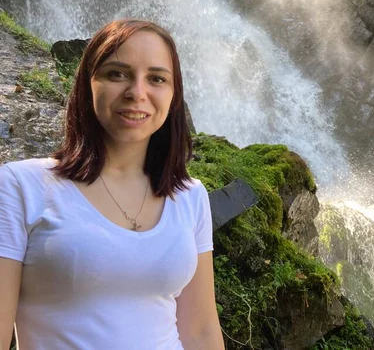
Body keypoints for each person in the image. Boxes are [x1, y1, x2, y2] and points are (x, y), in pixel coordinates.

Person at [0, 19, 225, 349]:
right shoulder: (21, 186)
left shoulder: (190, 196)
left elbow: (202, 330)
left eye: (156, 78)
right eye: (117, 74)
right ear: (88, 84)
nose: (137, 92)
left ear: (174, 94)